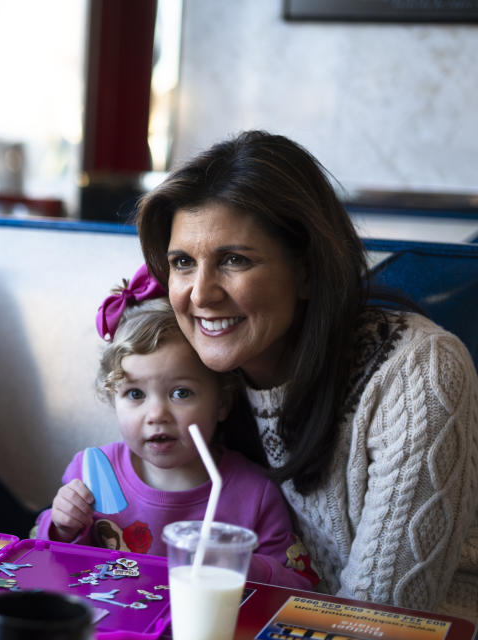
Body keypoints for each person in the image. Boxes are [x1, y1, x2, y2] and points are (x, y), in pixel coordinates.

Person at [136, 130, 478, 618]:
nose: (200, 294)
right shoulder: (211, 371)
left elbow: (376, 622)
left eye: (234, 260)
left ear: (307, 270)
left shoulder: (417, 372)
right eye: (183, 263)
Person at [33, 265, 318, 591]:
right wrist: (62, 528)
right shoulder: (94, 471)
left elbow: (299, 587)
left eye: (181, 393)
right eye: (135, 394)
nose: (156, 414)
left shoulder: (254, 494)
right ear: (114, 398)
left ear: (222, 403)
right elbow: (49, 567)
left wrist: (240, 564)